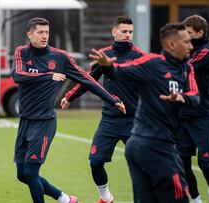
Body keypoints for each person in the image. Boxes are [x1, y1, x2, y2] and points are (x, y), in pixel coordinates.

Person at [11, 17, 126, 203]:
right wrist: (48, 76)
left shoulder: (60, 57)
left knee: (31, 173)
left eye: (47, 32)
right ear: (29, 34)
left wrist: (112, 100)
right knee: (22, 175)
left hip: (44, 122)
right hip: (25, 121)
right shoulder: (22, 52)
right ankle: (65, 199)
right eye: (40, 32)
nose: (44, 36)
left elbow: (87, 79)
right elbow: (18, 76)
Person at [90, 23, 199, 203]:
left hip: (149, 144)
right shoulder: (152, 63)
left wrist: (183, 98)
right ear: (172, 44)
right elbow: (119, 72)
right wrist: (106, 67)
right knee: (179, 199)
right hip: (154, 145)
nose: (191, 46)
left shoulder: (187, 69)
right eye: (186, 42)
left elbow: (195, 97)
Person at [60, 15, 146, 203]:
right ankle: (106, 197)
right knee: (96, 161)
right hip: (110, 120)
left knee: (142, 166)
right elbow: (89, 79)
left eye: (130, 32)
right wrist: (70, 96)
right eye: (124, 31)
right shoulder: (104, 55)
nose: (128, 35)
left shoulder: (140, 56)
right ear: (114, 32)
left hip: (135, 121)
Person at [178, 15, 209, 203]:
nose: (185, 37)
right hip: (183, 114)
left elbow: (185, 68)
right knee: (182, 163)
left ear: (200, 33)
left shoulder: (208, 52)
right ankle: (196, 201)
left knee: (204, 163)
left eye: (189, 33)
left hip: (204, 114)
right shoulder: (186, 50)